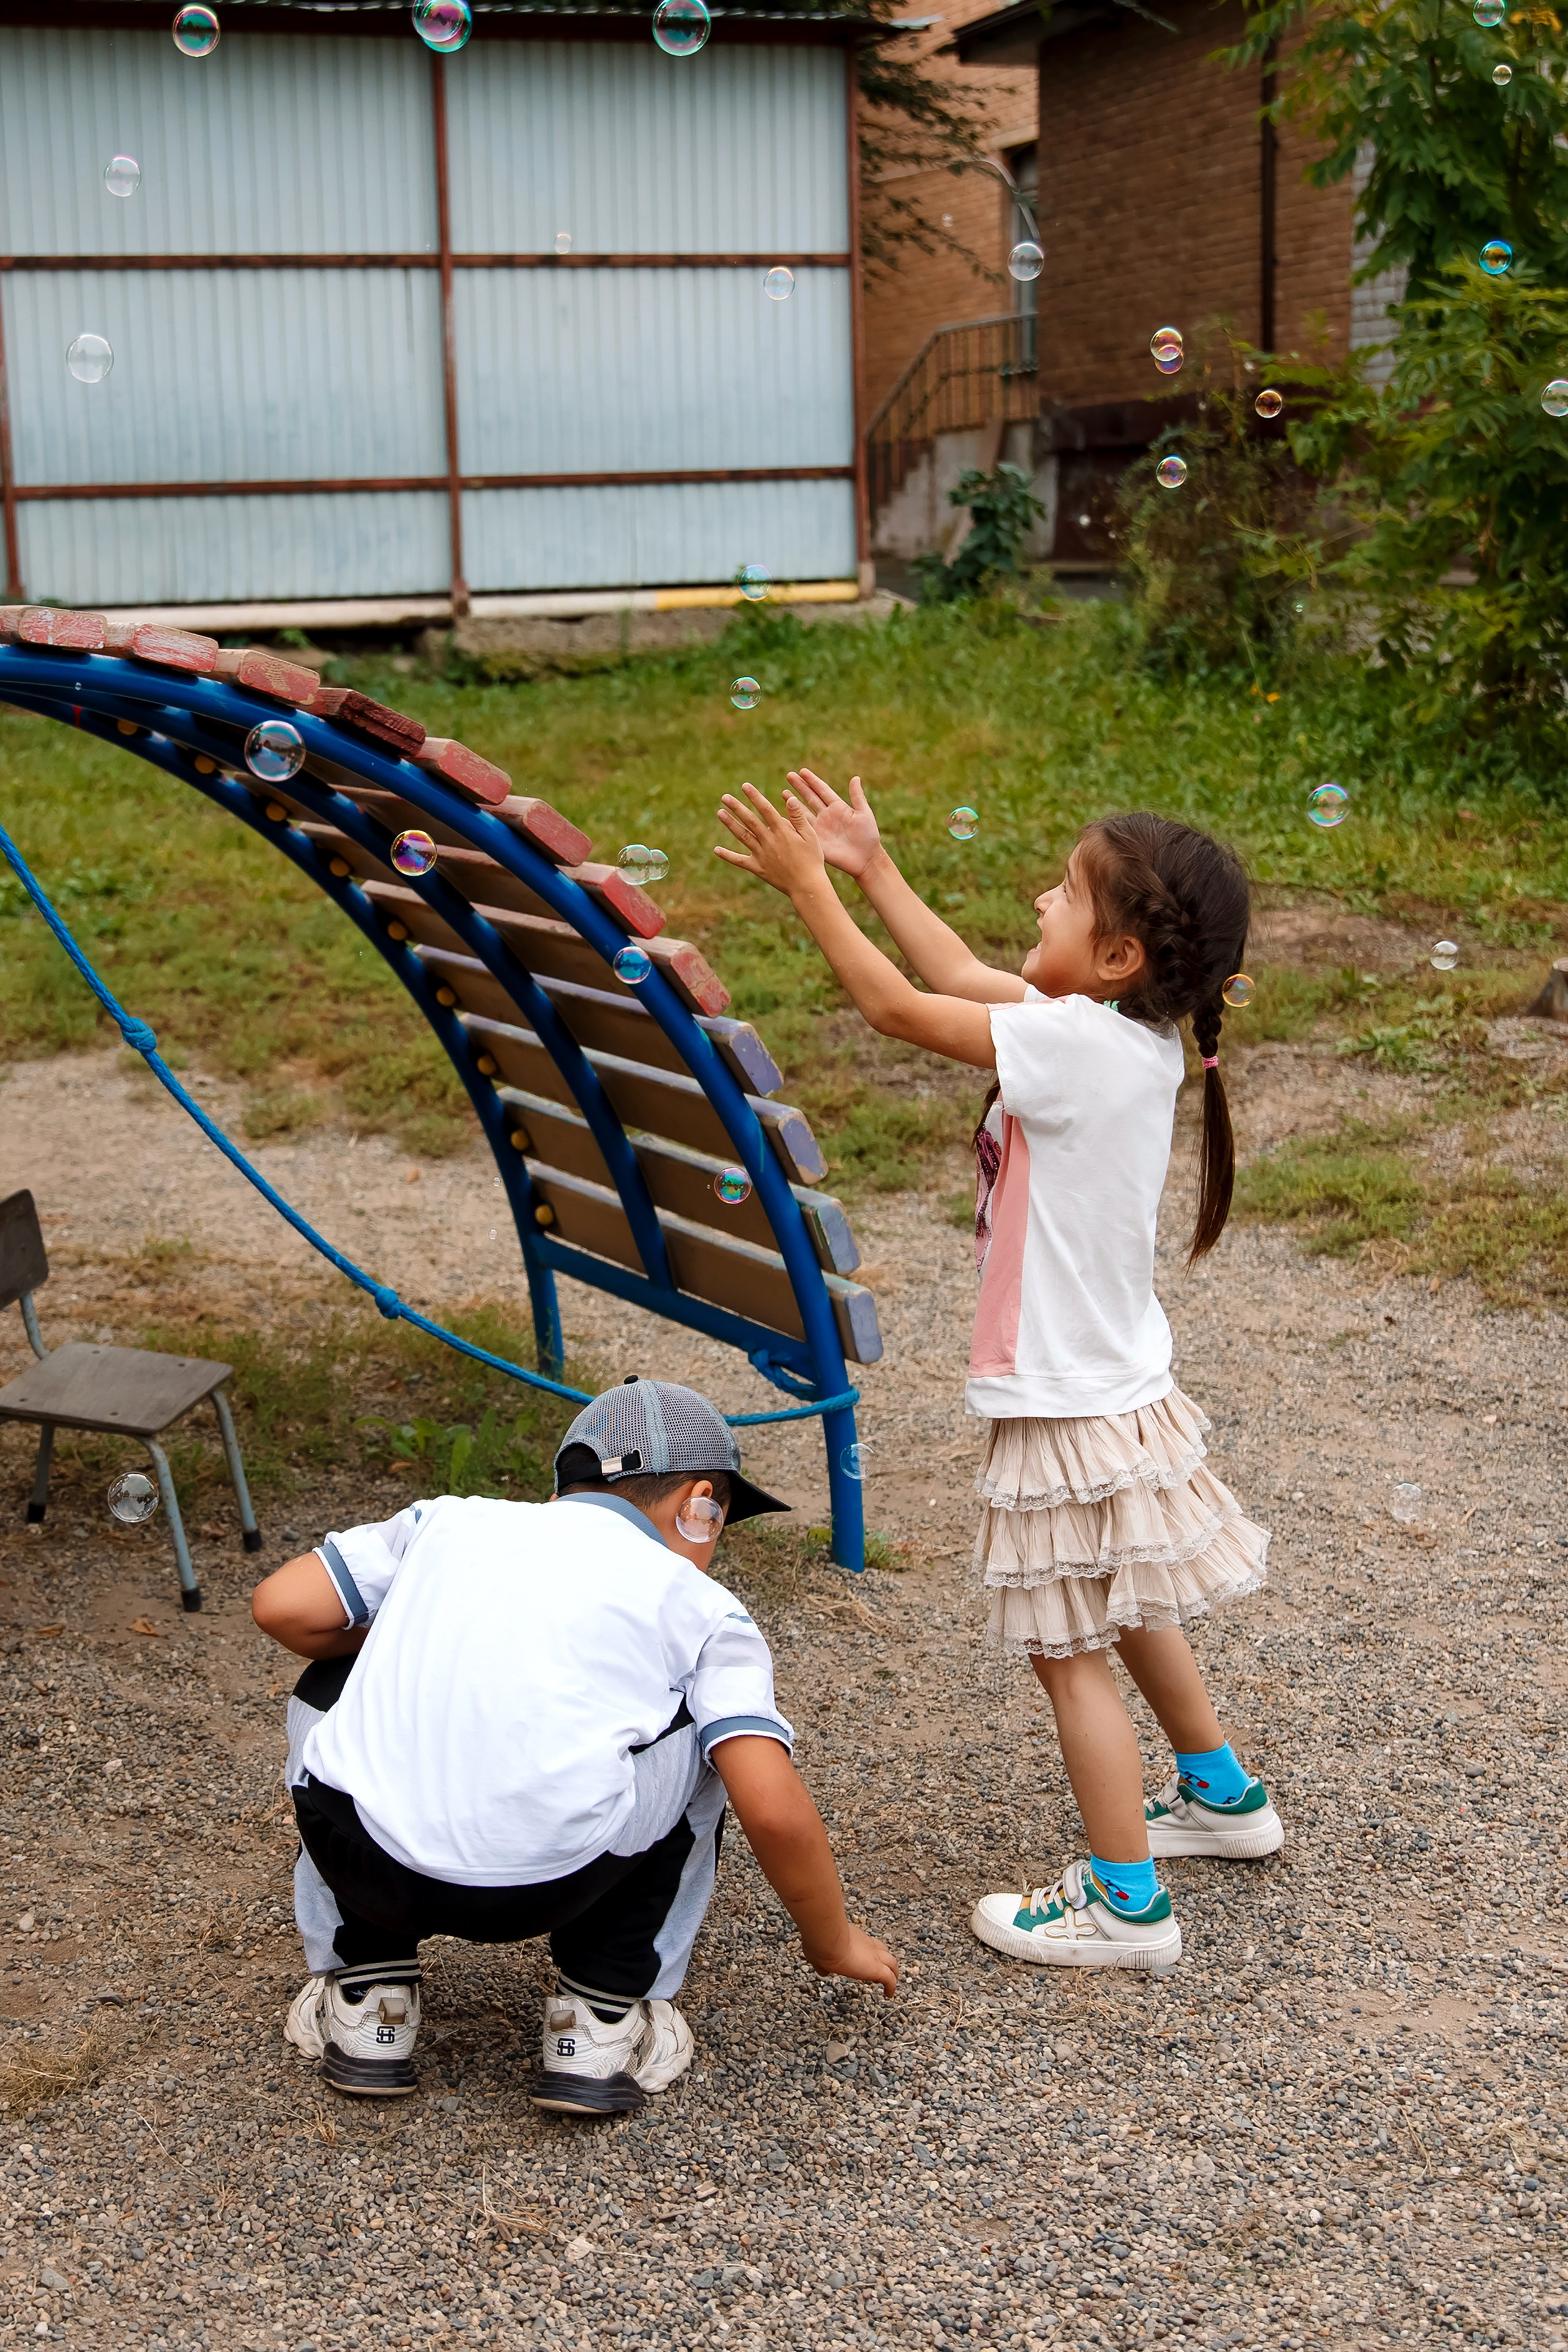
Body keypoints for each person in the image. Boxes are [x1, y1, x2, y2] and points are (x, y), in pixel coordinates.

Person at [716, 777, 1283, 1973]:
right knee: (1129, 1602)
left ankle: (1125, 1905)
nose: (1040, 896)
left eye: (1064, 892)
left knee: (1068, 1648)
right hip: (1116, 1389)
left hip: (1061, 1402)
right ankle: (1220, 1796)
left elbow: (892, 1006)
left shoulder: (1077, 1045)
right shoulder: (1126, 1036)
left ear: (1119, 954)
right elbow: (969, 979)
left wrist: (809, 887)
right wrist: (872, 870)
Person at [251, 1376, 897, 2109]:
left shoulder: (448, 1523)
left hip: (371, 1865)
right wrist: (831, 1941)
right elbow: (772, 1808)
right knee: (716, 1734)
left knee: (333, 1680)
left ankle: (369, 2001)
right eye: (721, 1522)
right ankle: (599, 2018)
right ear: (700, 1505)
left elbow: (282, 1606)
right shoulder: (704, 1608)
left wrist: (414, 1635)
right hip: (555, 1885)